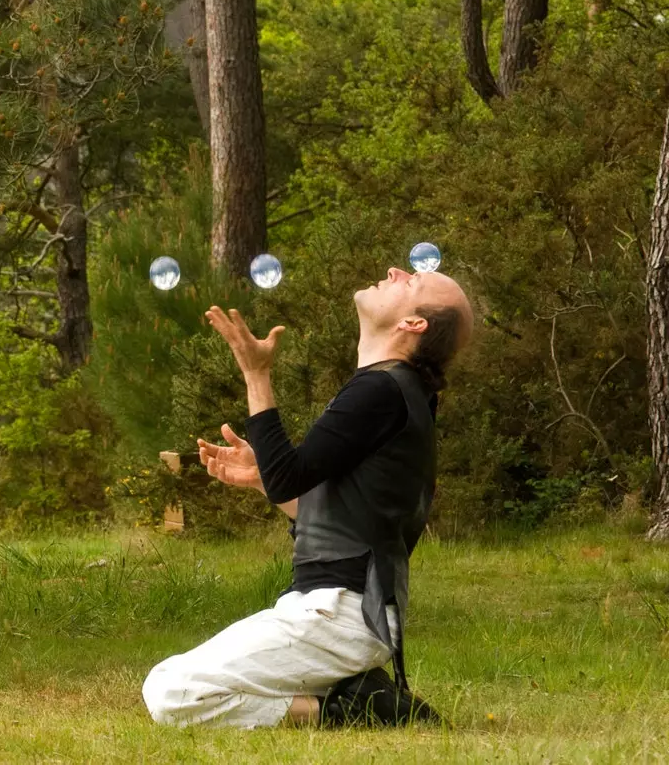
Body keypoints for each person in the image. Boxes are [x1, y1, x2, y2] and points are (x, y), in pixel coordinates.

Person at [142, 266, 474, 729]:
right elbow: (335, 512)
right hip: (340, 610)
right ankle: (356, 693)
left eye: (411, 282)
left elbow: (289, 476)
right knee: (168, 679)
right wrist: (265, 479)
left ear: (413, 324)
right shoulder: (397, 391)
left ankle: (352, 712)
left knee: (173, 693)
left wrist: (256, 374)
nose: (396, 271)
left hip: (341, 613)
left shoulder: (382, 389)